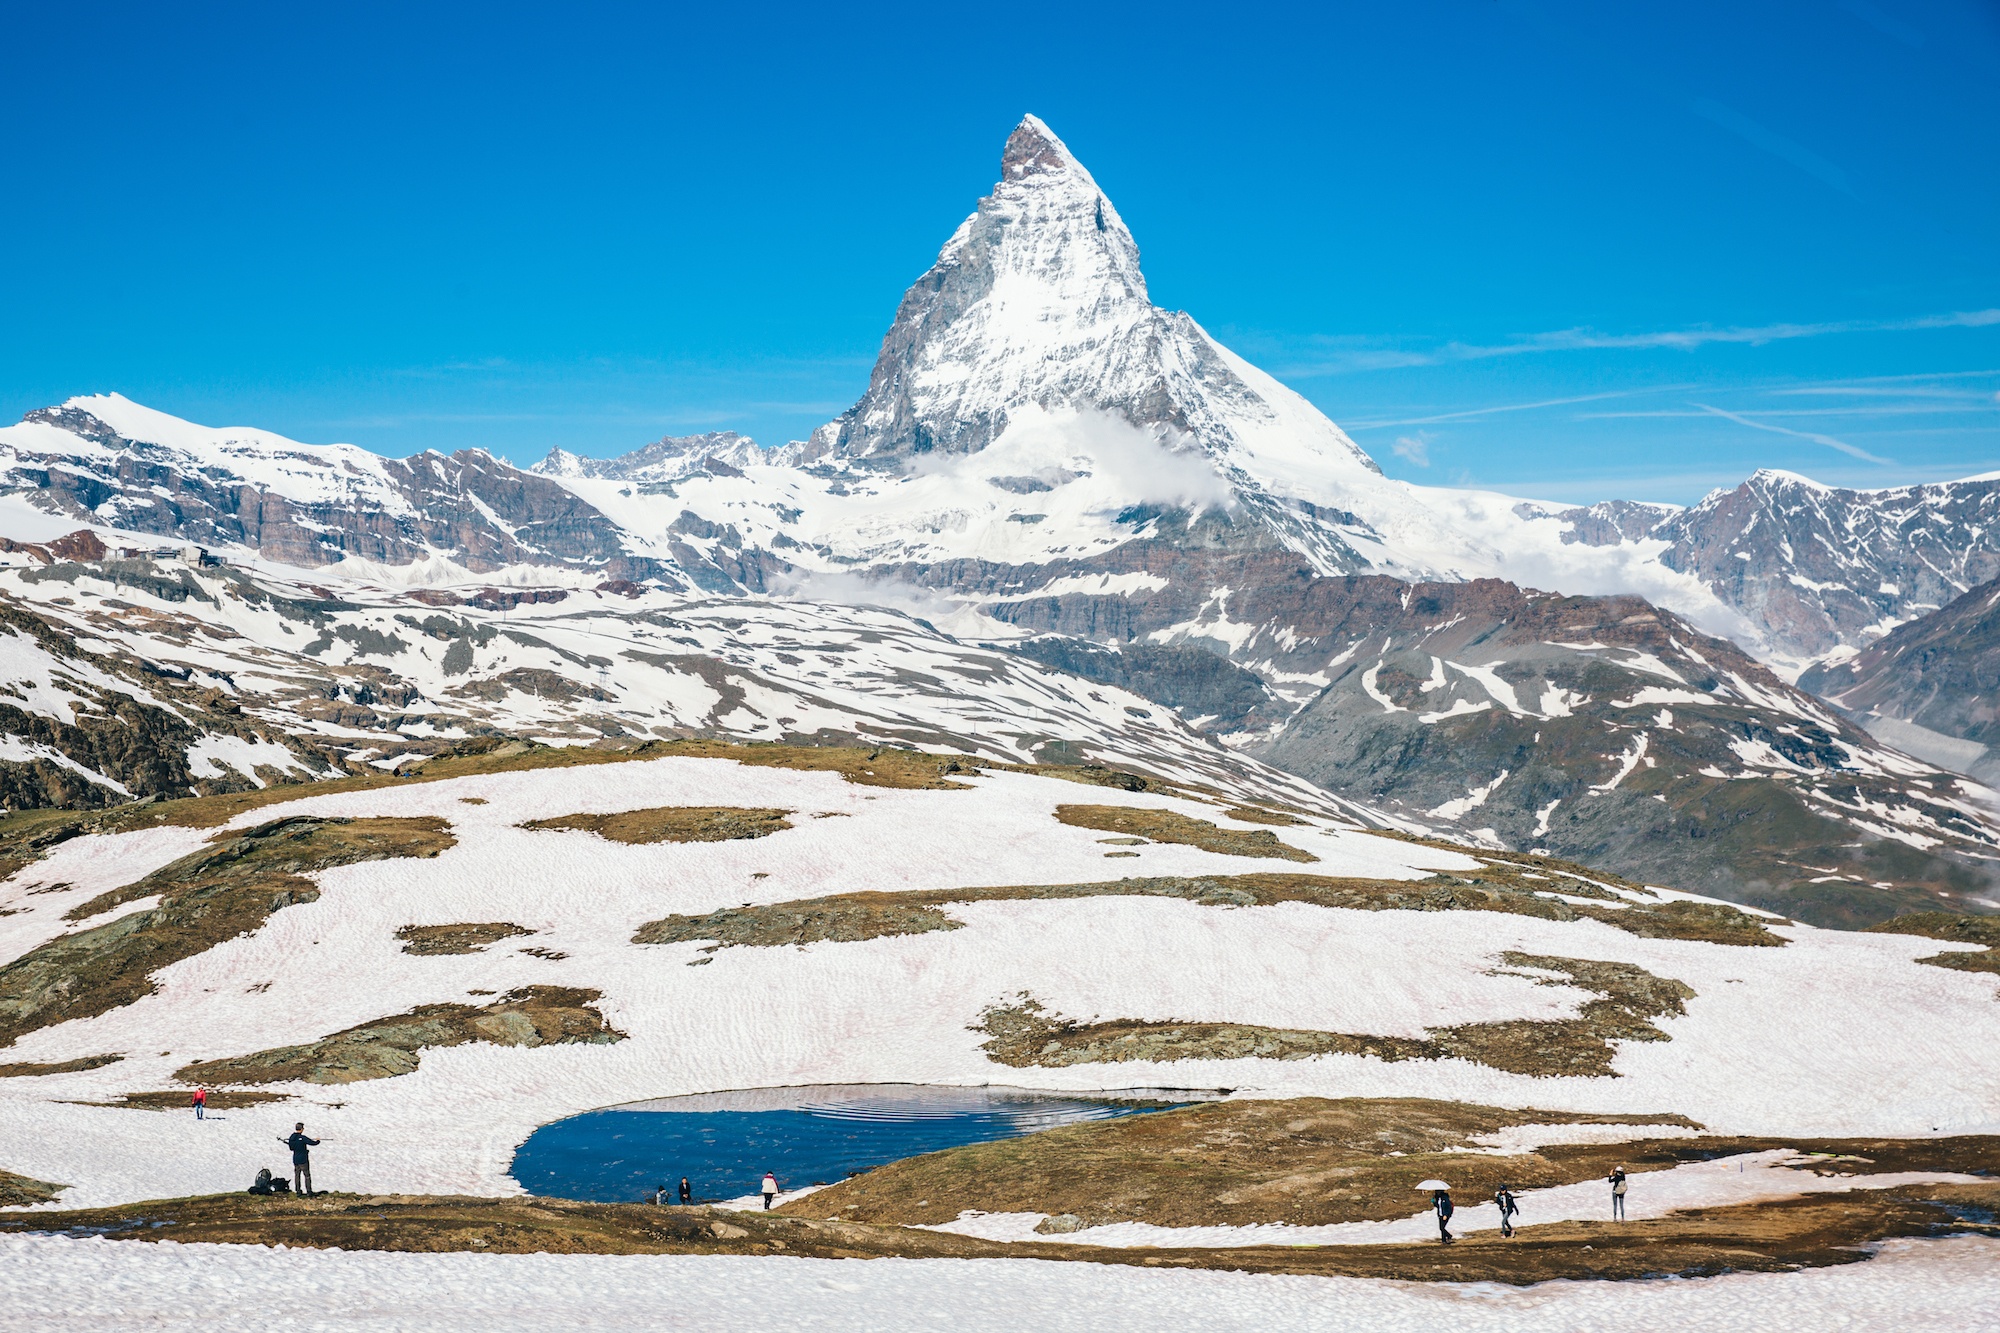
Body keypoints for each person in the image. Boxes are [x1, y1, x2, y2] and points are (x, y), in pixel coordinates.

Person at [281, 1123, 322, 1197]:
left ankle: (298, 1192)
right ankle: (309, 1192)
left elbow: (291, 1148)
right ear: (302, 1129)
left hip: (295, 1159)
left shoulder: (292, 1137)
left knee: (297, 1175)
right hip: (303, 1159)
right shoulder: (302, 1137)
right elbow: (312, 1143)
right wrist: (318, 1141)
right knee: (307, 1176)